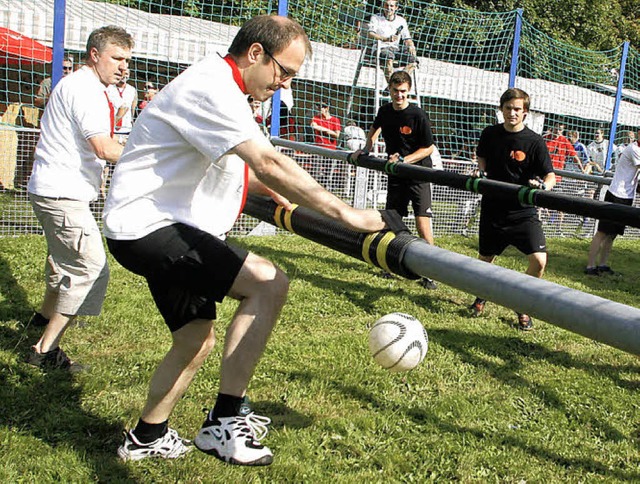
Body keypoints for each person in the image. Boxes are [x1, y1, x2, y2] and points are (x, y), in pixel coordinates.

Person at [102, 15, 387, 466]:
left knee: (195, 339)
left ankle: (147, 435)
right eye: (284, 73)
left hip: (147, 225)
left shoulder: (224, 86)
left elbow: (236, 166)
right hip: (150, 227)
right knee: (268, 282)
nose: (285, 85)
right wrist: (346, 214)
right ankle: (225, 420)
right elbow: (268, 161)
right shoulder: (212, 85)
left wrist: (262, 188)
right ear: (256, 54)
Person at [25, 26, 134, 370]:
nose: (123, 67)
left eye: (127, 60)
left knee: (63, 263)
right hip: (62, 194)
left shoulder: (81, 86)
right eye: (117, 58)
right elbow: (103, 147)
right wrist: (155, 156)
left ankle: (42, 320)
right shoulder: (85, 90)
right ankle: (44, 351)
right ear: (94, 54)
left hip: (53, 189)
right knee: (91, 269)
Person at [467, 88, 556, 331]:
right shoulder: (489, 133)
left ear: (525, 112)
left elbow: (550, 175)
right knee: (485, 259)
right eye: (508, 108)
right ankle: (481, 296)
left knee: (539, 260)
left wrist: (543, 187)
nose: (512, 113)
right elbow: (482, 158)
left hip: (523, 212)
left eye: (517, 109)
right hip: (493, 208)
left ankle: (522, 303)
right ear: (501, 110)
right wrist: (481, 171)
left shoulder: (535, 142)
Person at [353, 70, 438, 290]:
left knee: (422, 223)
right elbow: (374, 129)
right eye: (395, 91)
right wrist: (366, 149)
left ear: (408, 92)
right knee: (392, 220)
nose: (398, 96)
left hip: (419, 174)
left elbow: (428, 147)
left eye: (402, 92)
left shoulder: (417, 115)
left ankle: (430, 272)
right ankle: (388, 263)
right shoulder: (384, 111)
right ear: (389, 90)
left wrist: (405, 160)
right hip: (395, 174)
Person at [585, 134, 640, 276]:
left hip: (627, 196)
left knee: (612, 234)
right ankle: (590, 266)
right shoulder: (634, 149)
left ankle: (602, 264)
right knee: (602, 231)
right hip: (616, 194)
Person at [367, 0, 417, 83]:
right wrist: (386, 39)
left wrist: (411, 46)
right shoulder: (376, 18)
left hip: (396, 49)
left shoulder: (401, 21)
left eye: (391, 6)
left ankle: (396, 83)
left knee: (414, 61)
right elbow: (371, 33)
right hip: (381, 47)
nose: (389, 8)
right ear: (383, 6)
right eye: (386, 5)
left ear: (396, 8)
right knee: (388, 58)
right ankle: (393, 86)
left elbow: (407, 38)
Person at [544, 123, 581, 234]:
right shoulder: (545, 139)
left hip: (558, 178)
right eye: (556, 128)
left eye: (560, 129)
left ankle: (558, 228)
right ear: (552, 128)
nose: (558, 131)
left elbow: (574, 156)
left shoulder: (564, 141)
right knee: (540, 200)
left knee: (560, 203)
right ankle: (540, 223)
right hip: (545, 175)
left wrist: (582, 169)